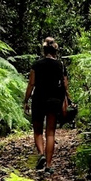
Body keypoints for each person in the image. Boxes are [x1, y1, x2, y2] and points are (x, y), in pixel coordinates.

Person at [23, 37, 70, 173]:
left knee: (38, 131)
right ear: (55, 50)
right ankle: (48, 166)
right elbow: (65, 85)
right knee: (50, 133)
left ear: (44, 50)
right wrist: (66, 100)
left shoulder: (37, 64)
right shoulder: (60, 65)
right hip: (55, 100)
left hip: (39, 99)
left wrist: (26, 100)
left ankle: (41, 154)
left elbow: (31, 83)